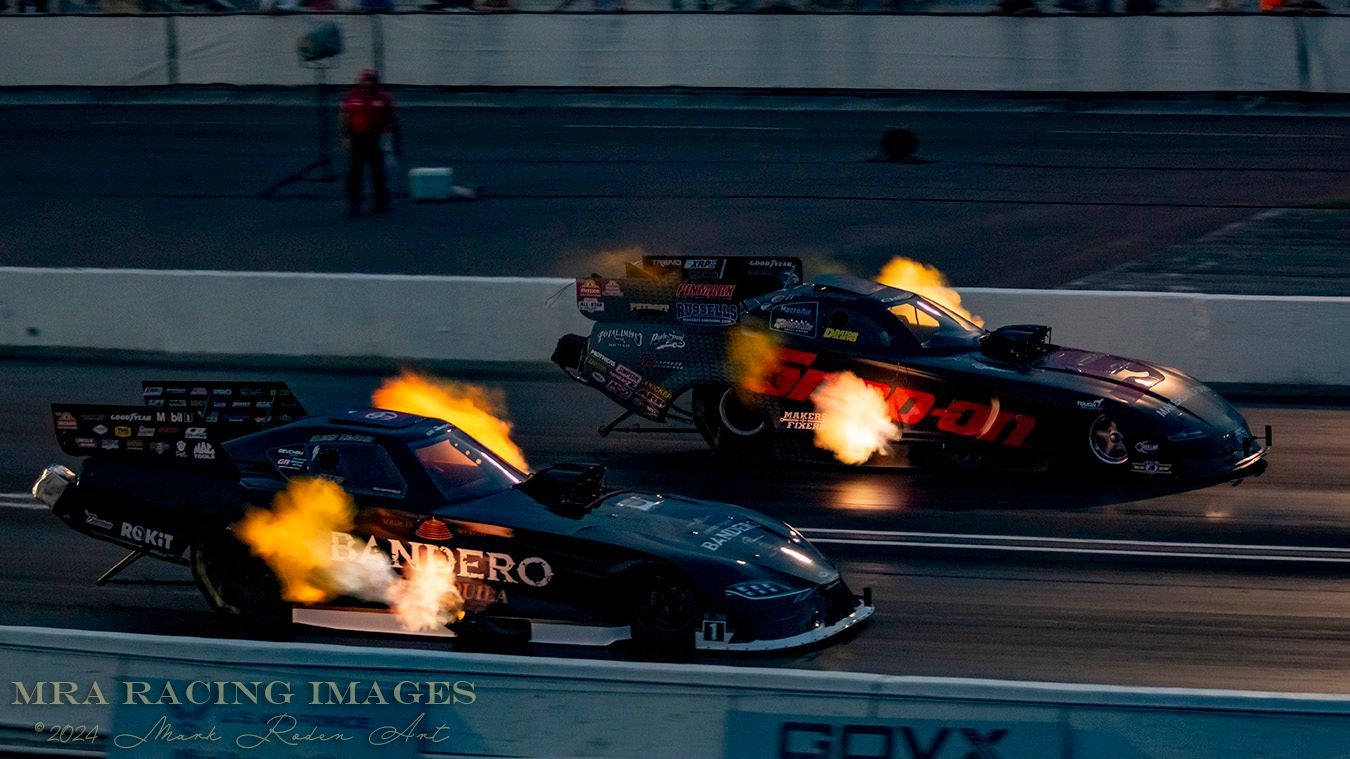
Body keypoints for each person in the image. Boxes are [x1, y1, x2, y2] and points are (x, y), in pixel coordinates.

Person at [341, 68, 400, 216]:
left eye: (370, 81)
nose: (367, 84)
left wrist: (391, 138)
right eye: (365, 81)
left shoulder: (384, 97)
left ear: (375, 82)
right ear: (360, 82)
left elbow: (392, 118)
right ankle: (354, 203)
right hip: (357, 138)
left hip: (375, 138)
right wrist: (345, 136)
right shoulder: (352, 96)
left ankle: (381, 203)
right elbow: (345, 117)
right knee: (355, 172)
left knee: (377, 172)